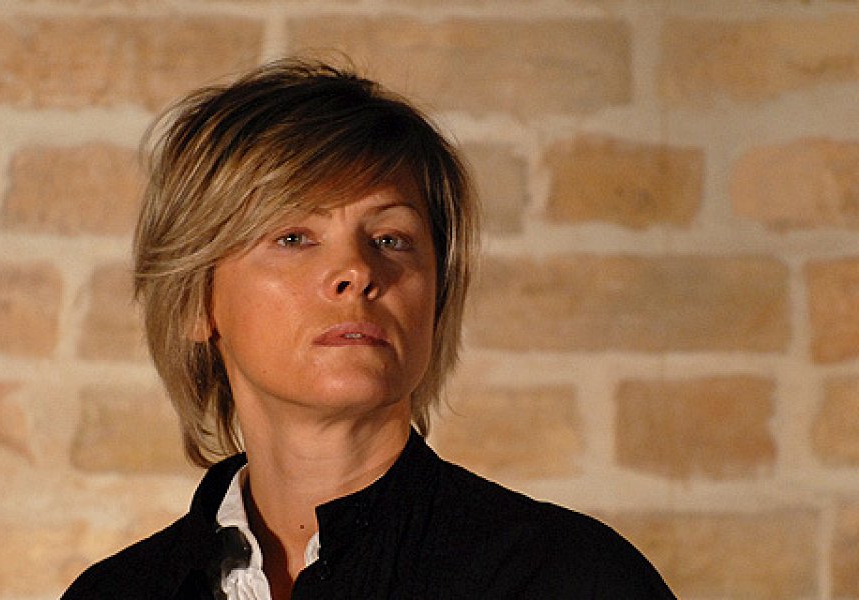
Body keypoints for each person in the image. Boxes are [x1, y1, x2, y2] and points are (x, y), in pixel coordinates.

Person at [62, 58, 676, 599]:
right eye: (294, 237)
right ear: (197, 300)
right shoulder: (115, 594)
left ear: (436, 296)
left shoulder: (569, 578)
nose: (356, 271)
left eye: (391, 238)